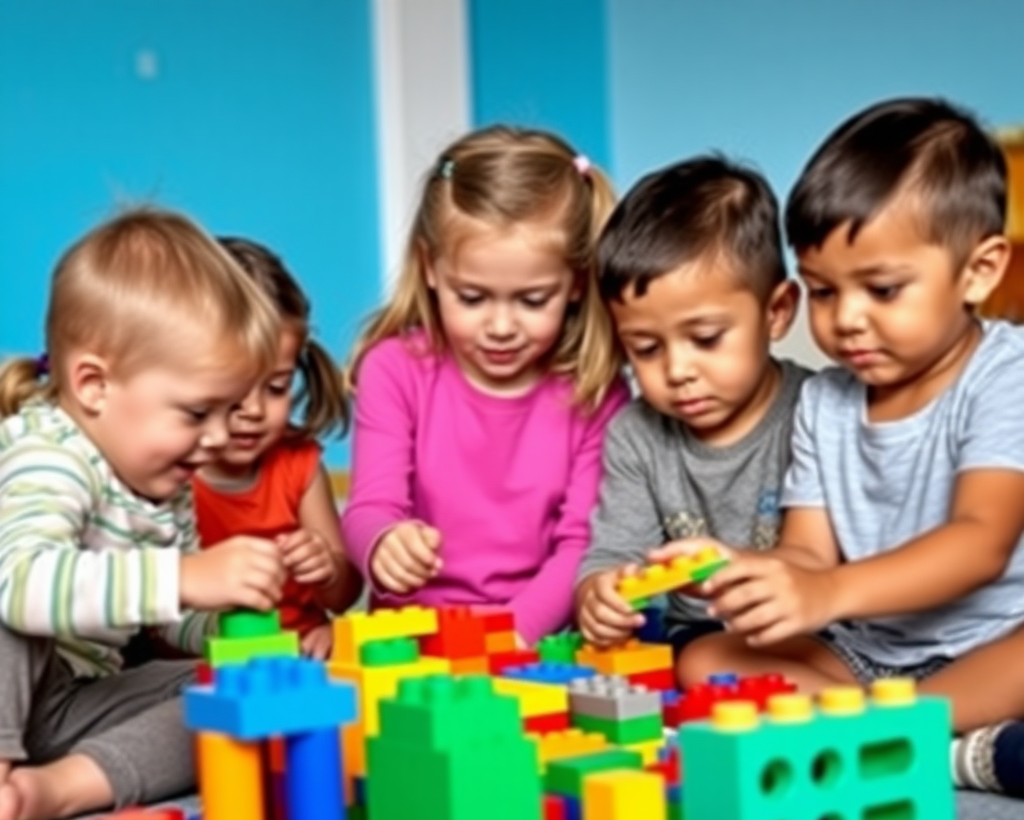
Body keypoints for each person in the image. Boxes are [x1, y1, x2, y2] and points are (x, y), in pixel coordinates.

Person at [679, 98, 1024, 794]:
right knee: (704, 658)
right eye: (823, 292)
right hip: (870, 654)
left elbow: (982, 542)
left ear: (980, 271)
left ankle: (900, 727)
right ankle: (904, 734)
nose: (847, 320)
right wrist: (749, 575)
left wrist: (829, 591)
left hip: (996, 644)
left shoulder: (1006, 373)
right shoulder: (825, 400)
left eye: (883, 289)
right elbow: (808, 552)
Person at [0, 208, 286, 820]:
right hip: (14, 682)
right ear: (95, 385)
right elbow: (23, 586)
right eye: (196, 412)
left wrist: (229, 619)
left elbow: (167, 613)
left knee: (226, 697)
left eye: (229, 410)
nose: (218, 437)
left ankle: (60, 788)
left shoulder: (163, 476)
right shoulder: (47, 454)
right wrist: (186, 575)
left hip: (73, 699)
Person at [341, 125, 629, 644]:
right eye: (472, 298)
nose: (500, 326)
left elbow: (581, 547)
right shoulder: (393, 370)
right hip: (410, 642)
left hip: (533, 640)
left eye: (532, 300)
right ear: (431, 268)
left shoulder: (596, 394)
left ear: (578, 282)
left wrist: (507, 636)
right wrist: (383, 543)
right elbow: (368, 507)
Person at [575, 156, 810, 669]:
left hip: (811, 626)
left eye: (705, 339)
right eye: (645, 348)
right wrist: (600, 594)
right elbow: (614, 552)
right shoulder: (636, 434)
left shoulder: (816, 410)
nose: (678, 370)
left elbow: (834, 562)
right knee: (688, 665)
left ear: (776, 312)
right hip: (697, 636)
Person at [192, 238, 361, 659]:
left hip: (299, 657)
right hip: (197, 664)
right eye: (233, 388)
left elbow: (343, 596)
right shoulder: (168, 471)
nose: (252, 409)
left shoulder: (298, 464)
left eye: (276, 387)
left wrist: (327, 568)